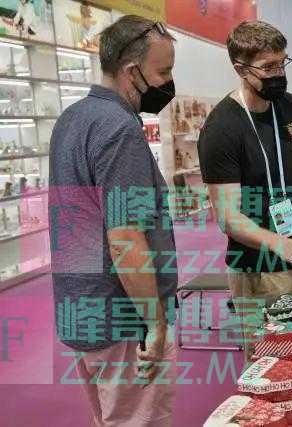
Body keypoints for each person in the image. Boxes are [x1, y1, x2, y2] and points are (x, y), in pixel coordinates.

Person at [48, 15, 178, 427]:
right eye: (163, 72)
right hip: (122, 315)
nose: (168, 83)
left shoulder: (72, 119)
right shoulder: (120, 129)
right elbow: (125, 237)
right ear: (131, 71)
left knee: (109, 418)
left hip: (82, 306)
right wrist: (154, 321)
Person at [197, 21, 292, 310]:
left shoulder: (291, 107)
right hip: (256, 268)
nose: (278, 74)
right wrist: (278, 243)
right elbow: (228, 216)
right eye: (268, 67)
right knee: (268, 340)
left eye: (282, 63)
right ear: (241, 69)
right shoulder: (221, 128)